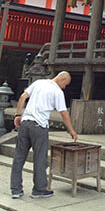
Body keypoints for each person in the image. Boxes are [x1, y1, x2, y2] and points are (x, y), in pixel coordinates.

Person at [10, 71, 78, 199]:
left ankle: (16, 190)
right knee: (40, 159)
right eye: (65, 84)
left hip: (25, 124)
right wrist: (71, 130)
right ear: (62, 80)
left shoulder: (38, 82)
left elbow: (22, 97)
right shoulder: (57, 91)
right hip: (39, 126)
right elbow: (64, 113)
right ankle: (39, 189)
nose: (64, 87)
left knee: (19, 158)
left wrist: (18, 115)